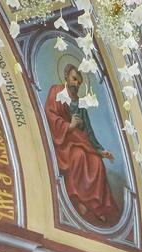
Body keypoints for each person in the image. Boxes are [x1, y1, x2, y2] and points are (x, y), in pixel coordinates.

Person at [44, 63, 121, 227]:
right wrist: (68, 126)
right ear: (66, 76)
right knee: (78, 156)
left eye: (79, 82)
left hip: (79, 140)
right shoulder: (56, 91)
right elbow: (50, 114)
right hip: (63, 142)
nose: (76, 84)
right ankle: (78, 199)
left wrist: (101, 151)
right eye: (74, 79)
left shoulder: (80, 104)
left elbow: (89, 131)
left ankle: (95, 205)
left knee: (97, 164)